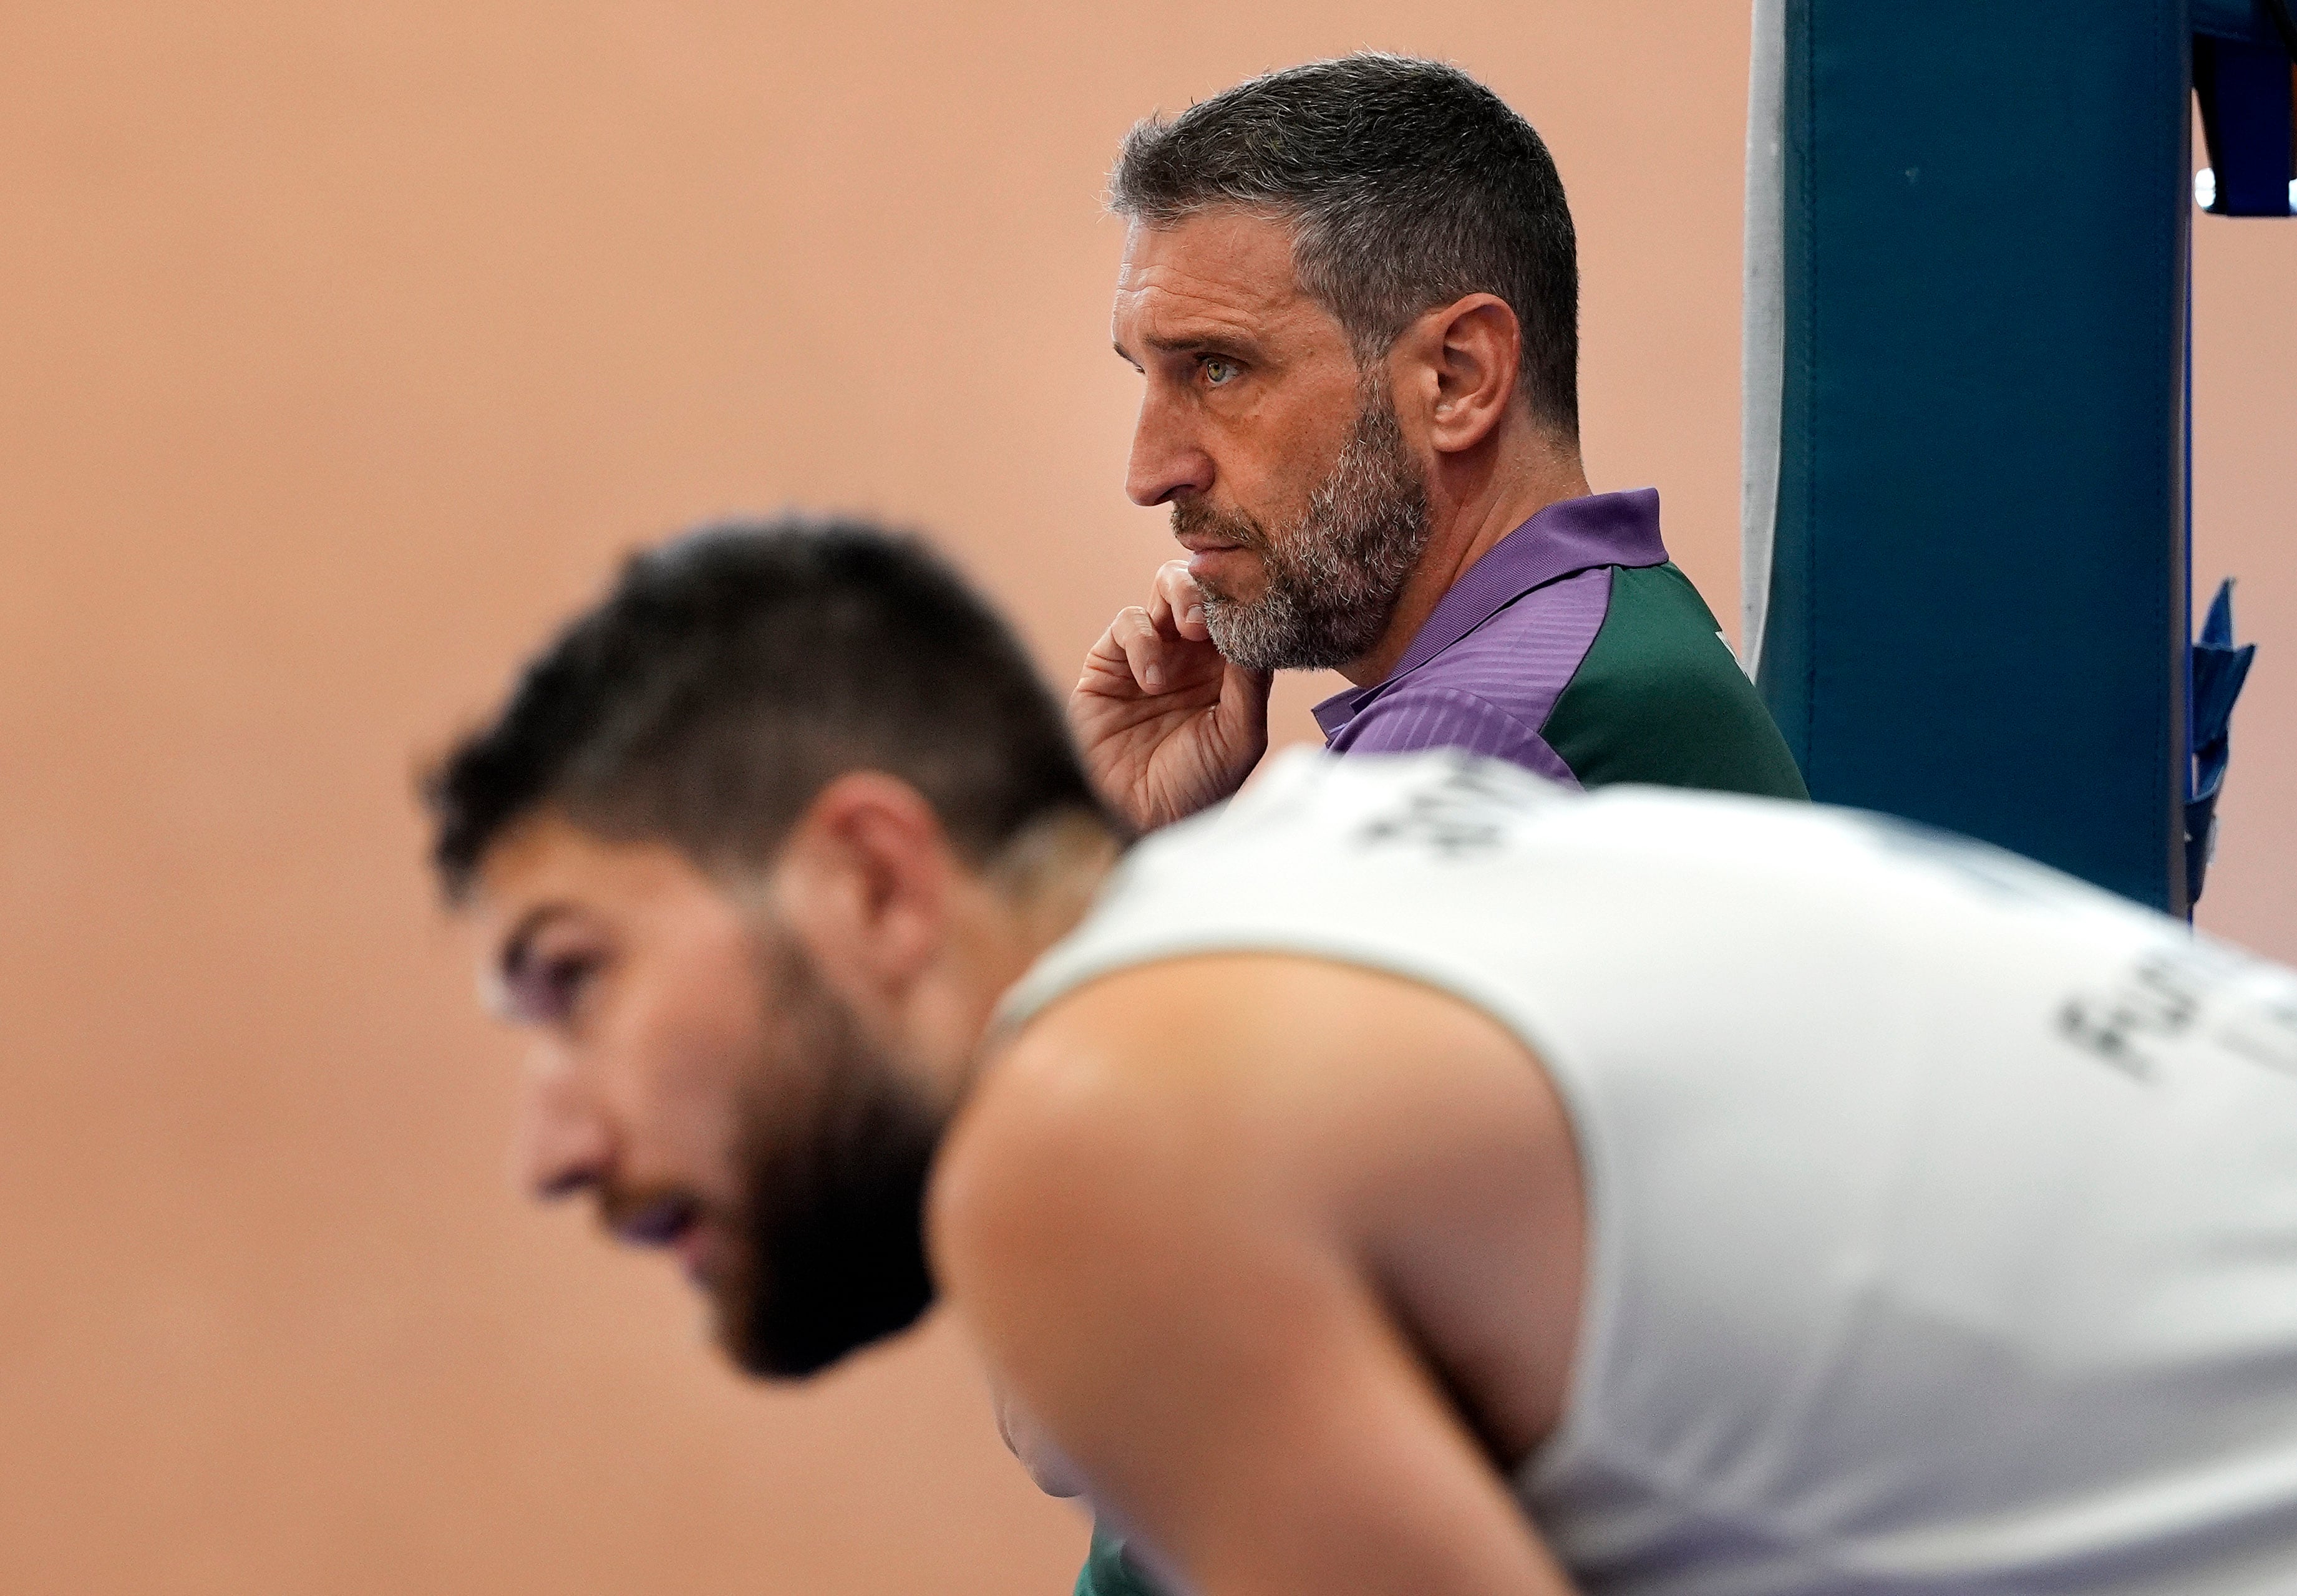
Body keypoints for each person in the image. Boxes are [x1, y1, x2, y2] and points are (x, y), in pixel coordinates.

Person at [431, 516, 2297, 1596]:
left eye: (572, 977)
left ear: (864, 872)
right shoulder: (1339, 858)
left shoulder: (1093, 1126)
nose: (548, 1144)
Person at [1074, 54, 1804, 839]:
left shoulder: (1460, 746)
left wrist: (1089, 857)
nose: (1148, 475)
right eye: (1144, 374)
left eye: (1218, 369)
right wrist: (1141, 829)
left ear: (1459, 378)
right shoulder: (1615, 631)